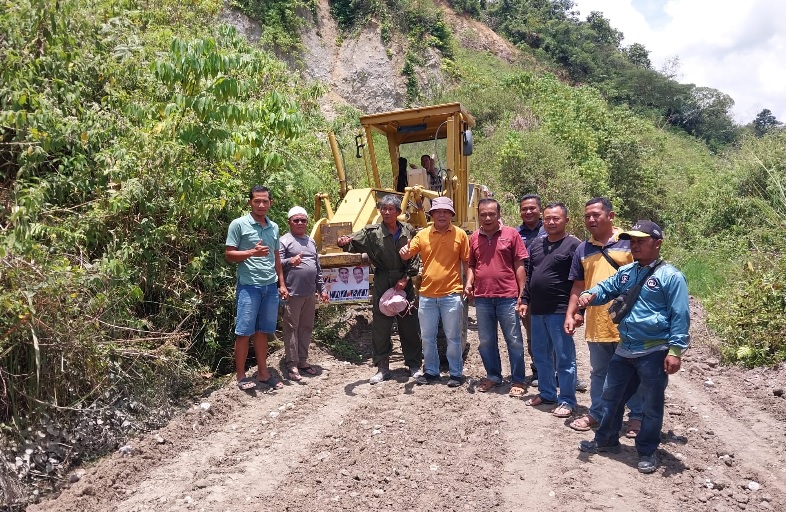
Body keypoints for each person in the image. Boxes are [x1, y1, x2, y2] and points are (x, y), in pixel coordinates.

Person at [577, 220, 690, 474]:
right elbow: (607, 288)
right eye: (633, 241)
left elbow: (680, 315)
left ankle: (647, 450)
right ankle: (606, 439)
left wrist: (675, 351)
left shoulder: (670, 277)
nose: (635, 245)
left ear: (657, 243)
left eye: (641, 241)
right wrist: (591, 294)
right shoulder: (628, 272)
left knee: (651, 403)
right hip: (625, 347)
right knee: (612, 396)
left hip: (653, 350)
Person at [564, 198, 643, 435]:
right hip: (597, 323)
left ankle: (636, 417)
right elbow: (579, 286)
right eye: (587, 216)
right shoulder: (583, 248)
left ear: (611, 216)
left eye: (595, 215)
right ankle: (598, 413)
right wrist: (573, 313)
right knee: (599, 372)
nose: (590, 220)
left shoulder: (629, 243)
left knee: (633, 372)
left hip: (628, 323)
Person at [337, 195, 422, 383]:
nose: (386, 212)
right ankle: (382, 368)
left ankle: (414, 365)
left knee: (409, 323)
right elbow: (351, 241)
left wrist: (406, 277)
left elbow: (415, 256)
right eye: (383, 209)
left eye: (391, 209)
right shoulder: (371, 232)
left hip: (404, 279)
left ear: (398, 212)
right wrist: (343, 242)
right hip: (383, 279)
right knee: (381, 326)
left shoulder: (408, 230)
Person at [399, 197, 469, 387]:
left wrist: (469, 283)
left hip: (451, 294)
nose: (442, 215)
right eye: (438, 212)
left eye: (446, 212)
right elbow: (407, 253)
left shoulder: (460, 235)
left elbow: (466, 262)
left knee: (453, 337)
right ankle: (431, 371)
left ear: (451, 215)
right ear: (431, 215)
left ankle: (455, 373)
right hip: (427, 295)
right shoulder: (422, 235)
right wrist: (404, 251)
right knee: (428, 337)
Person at [519, 202, 581, 418]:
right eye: (547, 219)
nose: (551, 222)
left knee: (564, 358)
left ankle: (567, 399)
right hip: (537, 310)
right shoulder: (536, 244)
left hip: (560, 311)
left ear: (566, 220)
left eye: (556, 218)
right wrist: (525, 299)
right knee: (541, 355)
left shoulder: (574, 246)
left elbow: (580, 282)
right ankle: (546, 393)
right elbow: (529, 275)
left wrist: (576, 312)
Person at [225, 185, 288, 391]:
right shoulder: (239, 225)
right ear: (249, 202)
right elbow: (229, 254)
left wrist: (281, 283)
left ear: (271, 203)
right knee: (244, 332)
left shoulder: (274, 227)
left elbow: (276, 258)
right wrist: (252, 252)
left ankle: (263, 373)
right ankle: (241, 376)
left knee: (263, 331)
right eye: (257, 201)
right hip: (249, 286)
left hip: (270, 287)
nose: (261, 205)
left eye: (265, 201)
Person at [465, 198, 528, 396]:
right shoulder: (474, 237)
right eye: (483, 214)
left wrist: (522, 294)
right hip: (483, 297)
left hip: (507, 296)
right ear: (478, 215)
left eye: (492, 213)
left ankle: (518, 380)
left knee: (514, 339)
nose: (487, 217)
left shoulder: (511, 234)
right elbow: (472, 265)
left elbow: (519, 264)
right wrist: (469, 282)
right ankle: (493, 375)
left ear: (499, 214)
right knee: (486, 340)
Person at [279, 206, 329, 382]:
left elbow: (317, 268)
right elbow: (276, 265)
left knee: (306, 327)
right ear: (289, 222)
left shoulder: (311, 241)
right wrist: (290, 261)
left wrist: (321, 289)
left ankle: (303, 361)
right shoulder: (284, 241)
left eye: (303, 220)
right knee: (291, 328)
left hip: (309, 293)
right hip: (292, 293)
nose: (300, 223)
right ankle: (291, 364)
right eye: (296, 220)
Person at [517, 194, 546, 386]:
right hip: (527, 292)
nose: (528, 212)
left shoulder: (550, 228)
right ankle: (539, 371)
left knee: (557, 333)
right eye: (524, 209)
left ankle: (564, 373)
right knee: (533, 334)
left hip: (552, 292)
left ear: (540, 210)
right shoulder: (516, 234)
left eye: (532, 208)